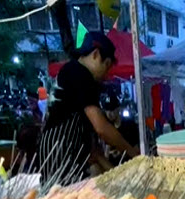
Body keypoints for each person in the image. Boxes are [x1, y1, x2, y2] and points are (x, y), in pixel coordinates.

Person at [39, 31, 137, 179]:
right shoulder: (80, 73)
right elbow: (101, 128)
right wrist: (134, 155)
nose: (106, 74)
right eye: (107, 65)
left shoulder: (71, 72)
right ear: (96, 54)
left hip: (57, 152)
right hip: (61, 153)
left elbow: (94, 149)